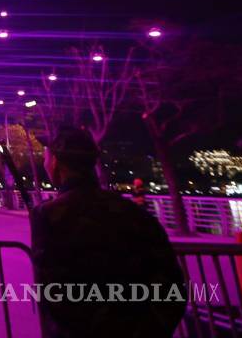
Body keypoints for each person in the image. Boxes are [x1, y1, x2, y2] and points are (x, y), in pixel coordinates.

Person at [30, 126, 185, 337]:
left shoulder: (49, 215)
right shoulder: (134, 212)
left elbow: (54, 295)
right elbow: (171, 285)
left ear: (55, 163)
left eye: (46, 157)